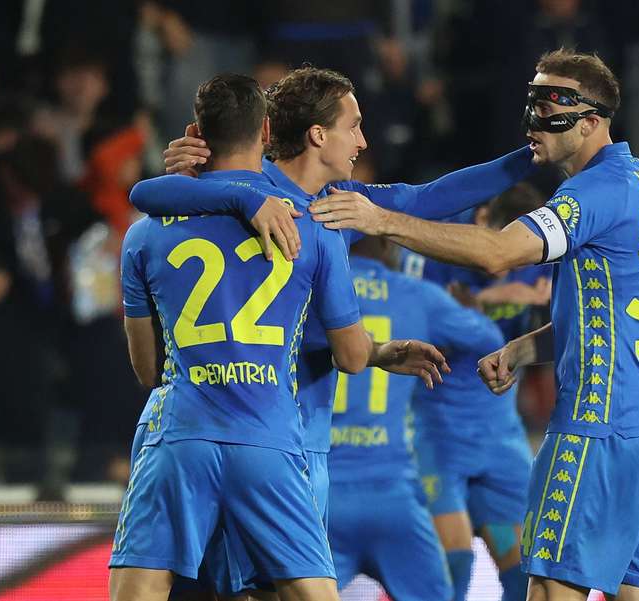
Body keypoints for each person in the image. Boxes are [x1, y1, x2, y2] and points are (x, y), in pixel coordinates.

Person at [128, 66, 524, 597]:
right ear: (318, 134)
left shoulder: (334, 204)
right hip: (269, 443)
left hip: (290, 443)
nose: (364, 139)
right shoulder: (274, 204)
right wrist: (223, 192)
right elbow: (149, 195)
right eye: (354, 125)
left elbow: (430, 197)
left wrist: (529, 158)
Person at [309, 49, 639, 601]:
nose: (535, 116)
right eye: (532, 99)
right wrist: (524, 350)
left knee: (551, 591)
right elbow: (612, 320)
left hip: (596, 426)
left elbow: (497, 253)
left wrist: (379, 220)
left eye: (553, 103)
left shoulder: (592, 192)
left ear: (593, 120)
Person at [108, 73, 376, 601]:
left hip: (179, 437)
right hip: (267, 439)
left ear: (194, 132)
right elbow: (351, 355)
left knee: (138, 590)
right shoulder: (312, 228)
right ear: (267, 131)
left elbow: (145, 369)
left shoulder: (143, 232)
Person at [327, 235, 505, 601]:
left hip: (320, 493)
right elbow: (488, 338)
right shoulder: (416, 296)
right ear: (387, 246)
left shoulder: (311, 288)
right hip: (391, 490)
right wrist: (469, 312)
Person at [398, 184, 551, 601]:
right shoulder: (435, 249)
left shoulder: (543, 253)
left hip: (499, 429)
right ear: (483, 220)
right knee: (452, 565)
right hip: (436, 425)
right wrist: (491, 299)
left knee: (524, 571)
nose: (506, 265)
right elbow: (407, 327)